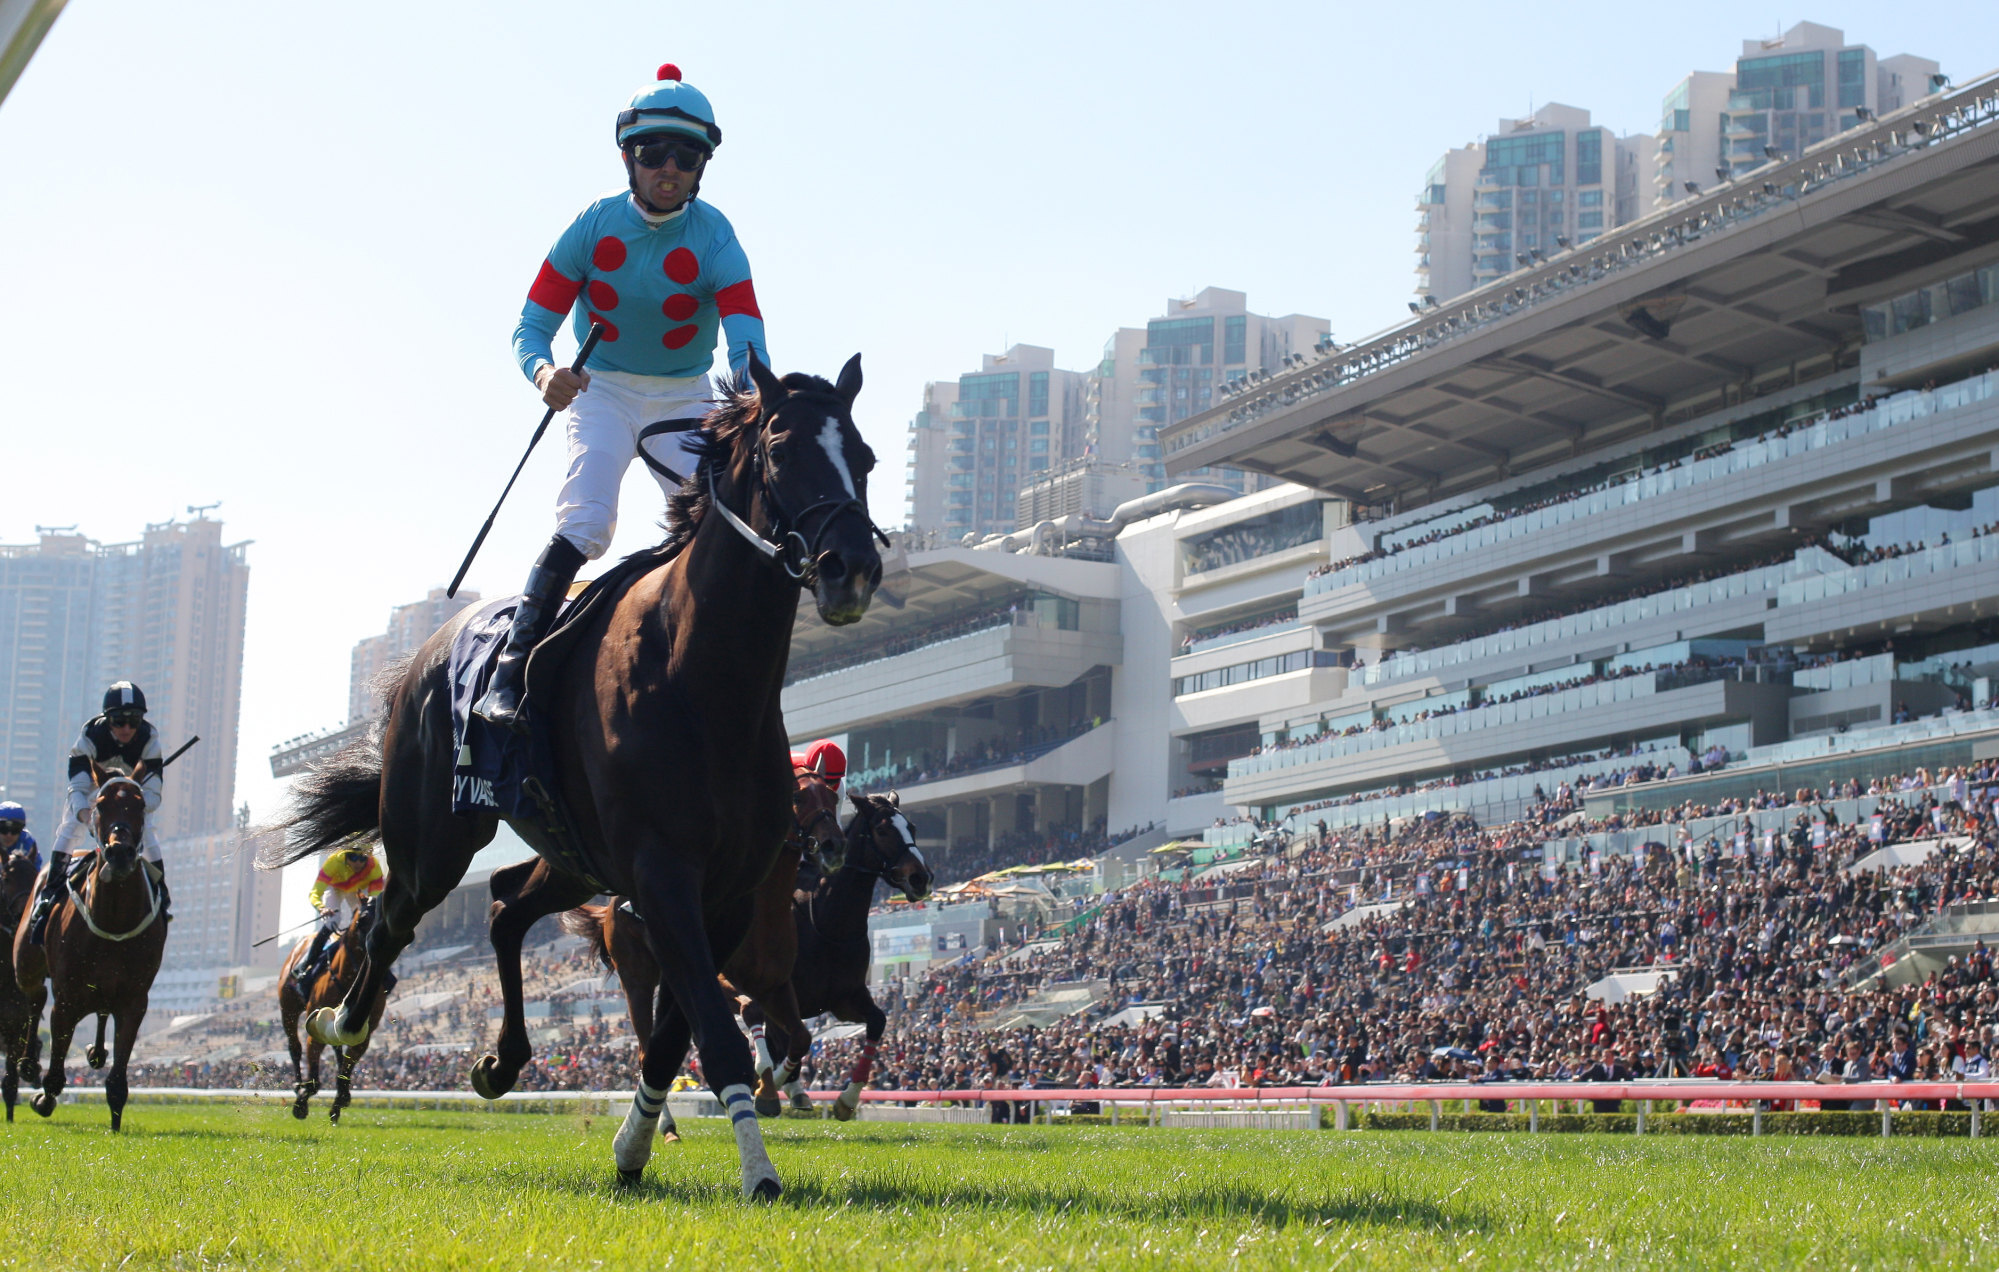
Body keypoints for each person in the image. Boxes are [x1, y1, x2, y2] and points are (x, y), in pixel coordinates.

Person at [476, 62, 770, 732]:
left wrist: (753, 394)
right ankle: (512, 671)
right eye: (653, 153)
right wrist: (544, 374)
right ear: (627, 157)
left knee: (715, 523)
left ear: (703, 164)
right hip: (602, 390)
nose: (669, 167)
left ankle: (713, 673)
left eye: (686, 155)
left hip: (683, 397)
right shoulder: (592, 224)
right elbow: (531, 327)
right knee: (587, 523)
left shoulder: (716, 235)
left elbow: (745, 336)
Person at [26, 682, 170, 944]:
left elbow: (154, 793)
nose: (126, 728)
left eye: (134, 720)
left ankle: (162, 892)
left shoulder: (150, 738)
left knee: (147, 831)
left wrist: (132, 805)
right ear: (107, 719)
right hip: (94, 788)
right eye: (119, 720)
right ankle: (50, 892)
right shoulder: (90, 737)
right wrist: (85, 814)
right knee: (70, 828)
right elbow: (78, 789)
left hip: (128, 790)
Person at [294, 846, 386, 989]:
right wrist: (321, 908)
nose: (358, 863)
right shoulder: (333, 863)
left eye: (362, 858)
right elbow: (314, 893)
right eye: (353, 857)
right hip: (335, 889)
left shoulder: (374, 867)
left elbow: (375, 899)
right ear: (345, 856)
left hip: (356, 891)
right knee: (334, 921)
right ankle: (307, 964)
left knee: (365, 921)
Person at [0, 800, 39, 870]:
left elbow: (36, 873)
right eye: (3, 829)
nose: (9, 835)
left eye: (15, 830)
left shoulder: (29, 844)